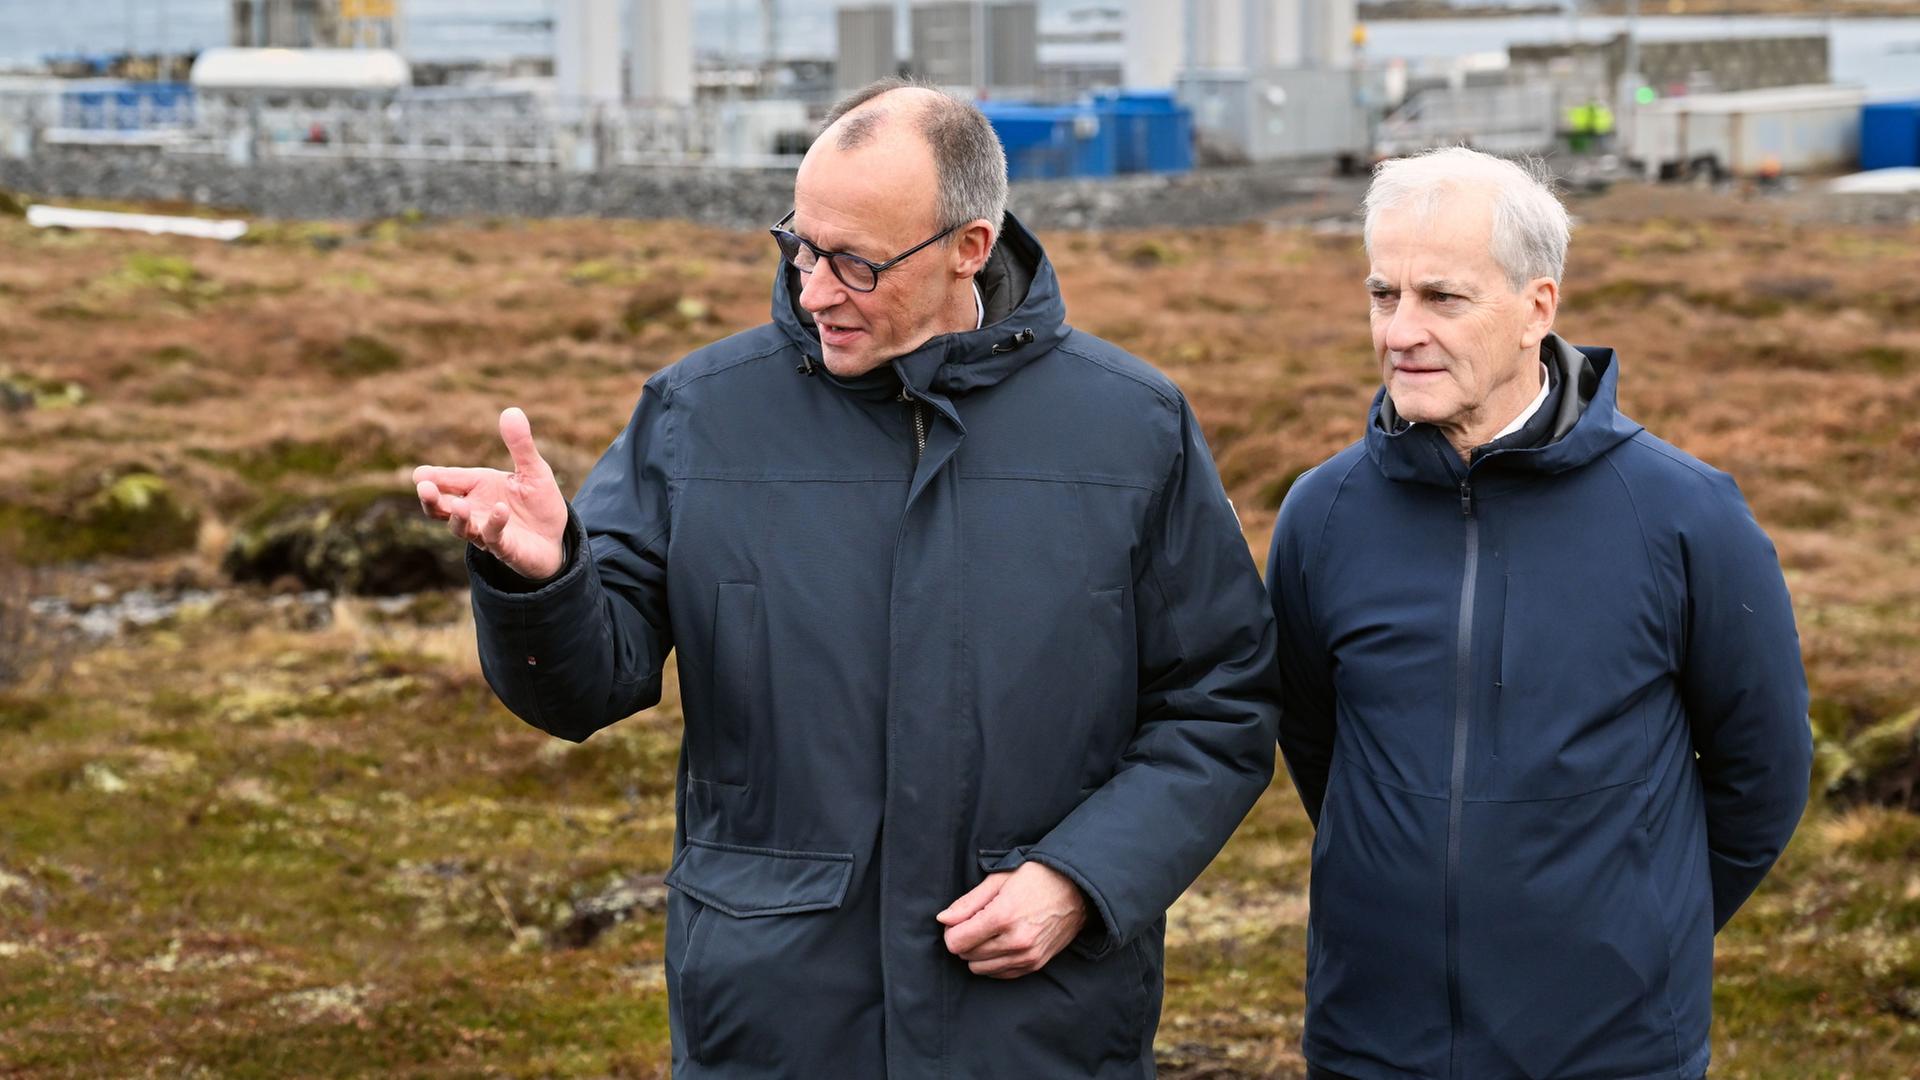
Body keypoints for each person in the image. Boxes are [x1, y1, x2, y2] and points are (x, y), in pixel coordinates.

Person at [414, 78, 1279, 1078]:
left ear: (970, 246)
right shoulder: (699, 416)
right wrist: (544, 578)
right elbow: (584, 689)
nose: (816, 289)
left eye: (856, 263)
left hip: (1036, 1027)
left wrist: (1082, 880)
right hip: (774, 1022)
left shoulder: (1133, 428)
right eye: (801, 247)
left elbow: (1217, 708)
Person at [1265, 147, 1812, 1080]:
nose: (1401, 331)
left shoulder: (1683, 514)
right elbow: (1319, 747)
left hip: (1609, 1049)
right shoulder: (1323, 515)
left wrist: (1639, 928)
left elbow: (1762, 772)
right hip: (1372, 1040)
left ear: (1538, 308)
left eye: (1442, 297)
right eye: (1381, 294)